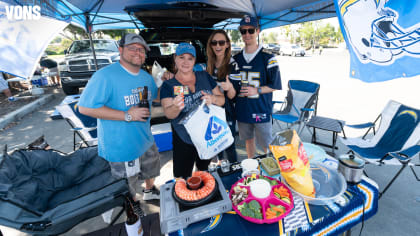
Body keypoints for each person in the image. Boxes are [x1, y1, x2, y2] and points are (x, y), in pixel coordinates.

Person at [78, 33, 161, 208]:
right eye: (133, 48)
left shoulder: (145, 77)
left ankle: (149, 190)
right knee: (126, 185)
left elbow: (156, 97)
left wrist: (169, 82)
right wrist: (127, 115)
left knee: (150, 169)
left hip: (145, 139)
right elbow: (85, 108)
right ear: (121, 50)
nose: (138, 53)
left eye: (141, 50)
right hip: (120, 146)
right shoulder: (105, 76)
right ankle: (132, 206)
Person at [160, 43, 225, 179]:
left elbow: (222, 100)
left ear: (194, 61)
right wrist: (176, 107)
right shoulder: (169, 85)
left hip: (207, 136)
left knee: (203, 170)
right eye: (181, 57)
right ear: (175, 58)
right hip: (184, 139)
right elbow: (168, 113)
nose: (185, 62)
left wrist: (212, 98)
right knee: (182, 178)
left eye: (190, 58)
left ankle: (201, 196)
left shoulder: (204, 76)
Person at [233, 15, 282, 158]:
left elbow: (275, 85)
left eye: (250, 30)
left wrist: (257, 90)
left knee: (267, 145)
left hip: (261, 109)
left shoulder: (268, 57)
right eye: (243, 31)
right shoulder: (235, 58)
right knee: (248, 140)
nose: (247, 34)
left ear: (257, 31)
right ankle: (251, 168)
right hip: (242, 109)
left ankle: (272, 172)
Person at [206, 29, 239, 163]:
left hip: (228, 111)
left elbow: (233, 96)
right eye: (214, 43)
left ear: (227, 45)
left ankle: (234, 169)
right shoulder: (210, 64)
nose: (218, 46)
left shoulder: (233, 65)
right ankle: (220, 163)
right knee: (216, 141)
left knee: (229, 144)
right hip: (212, 110)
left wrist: (229, 87)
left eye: (221, 42)